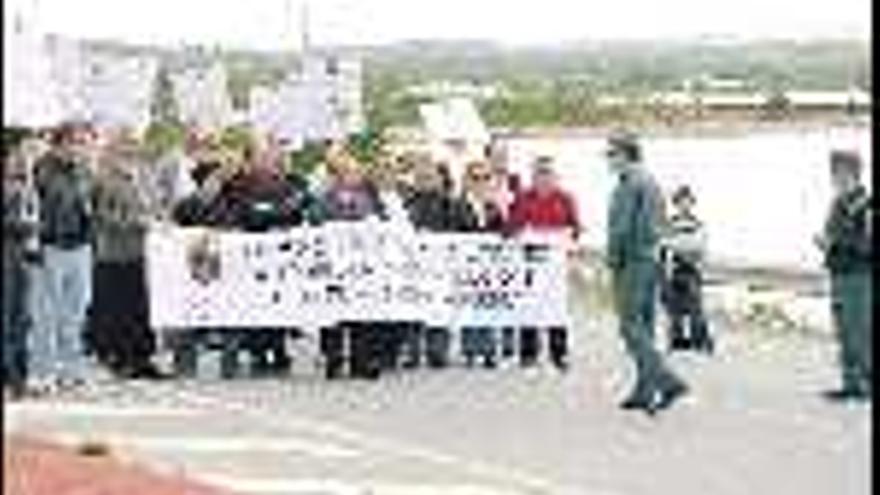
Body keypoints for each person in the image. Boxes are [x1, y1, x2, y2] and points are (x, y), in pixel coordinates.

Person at [605, 130, 688, 415]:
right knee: (645, 326)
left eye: (611, 154)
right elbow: (663, 224)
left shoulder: (630, 183)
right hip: (651, 259)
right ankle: (644, 389)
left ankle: (667, 380)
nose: (608, 160)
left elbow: (621, 229)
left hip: (632, 262)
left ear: (625, 154)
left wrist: (613, 259)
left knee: (630, 327)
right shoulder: (651, 182)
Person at [29, 122, 99, 393]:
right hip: (51, 246)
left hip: (80, 247)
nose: (80, 147)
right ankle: (42, 371)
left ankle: (72, 371)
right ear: (59, 143)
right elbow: (38, 207)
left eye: (82, 143)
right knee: (46, 314)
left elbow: (89, 206)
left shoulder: (84, 172)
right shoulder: (42, 169)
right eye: (75, 142)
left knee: (76, 313)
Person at [89, 129, 164, 379]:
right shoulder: (102, 179)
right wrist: (135, 222)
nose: (130, 150)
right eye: (124, 146)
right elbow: (102, 217)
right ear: (111, 151)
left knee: (139, 308)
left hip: (139, 253)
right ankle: (119, 358)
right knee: (116, 310)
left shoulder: (139, 177)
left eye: (132, 146)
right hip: (112, 253)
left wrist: (155, 219)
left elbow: (152, 206)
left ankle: (142, 357)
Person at [507, 156, 580, 371]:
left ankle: (559, 353)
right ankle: (528, 353)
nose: (544, 178)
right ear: (533, 176)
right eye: (539, 174)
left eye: (547, 174)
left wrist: (570, 243)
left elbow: (575, 227)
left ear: (555, 176)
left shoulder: (565, 198)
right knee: (529, 305)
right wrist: (521, 232)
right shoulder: (523, 198)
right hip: (529, 261)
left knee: (556, 306)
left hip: (555, 263)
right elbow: (511, 227)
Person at [815, 150, 872, 402]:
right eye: (835, 173)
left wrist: (835, 243)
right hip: (839, 273)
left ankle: (865, 385)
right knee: (845, 332)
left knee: (860, 332)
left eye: (842, 173)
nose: (837, 178)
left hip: (859, 276)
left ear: (855, 174)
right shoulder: (837, 203)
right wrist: (826, 244)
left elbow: (867, 244)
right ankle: (851, 384)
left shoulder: (866, 205)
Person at [3, 134, 43, 398]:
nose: (22, 159)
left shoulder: (24, 188)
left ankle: (20, 379)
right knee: (8, 320)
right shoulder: (12, 190)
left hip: (21, 259)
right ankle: (9, 378)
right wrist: (27, 226)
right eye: (18, 153)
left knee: (22, 320)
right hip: (7, 258)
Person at [458, 160, 507, 369]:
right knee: (469, 304)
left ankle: (488, 350)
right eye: (476, 178)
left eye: (485, 178)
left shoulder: (492, 206)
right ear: (467, 181)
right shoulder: (457, 204)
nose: (481, 182)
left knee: (488, 302)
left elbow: (502, 232)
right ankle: (470, 349)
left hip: (489, 262)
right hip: (466, 261)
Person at [659, 185, 713, 353]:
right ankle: (677, 340)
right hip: (672, 269)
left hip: (691, 270)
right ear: (676, 203)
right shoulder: (670, 223)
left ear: (692, 203)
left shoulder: (698, 224)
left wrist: (675, 243)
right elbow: (661, 245)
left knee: (696, 308)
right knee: (673, 310)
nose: (684, 204)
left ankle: (701, 342)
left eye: (687, 201)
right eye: (681, 201)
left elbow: (698, 246)